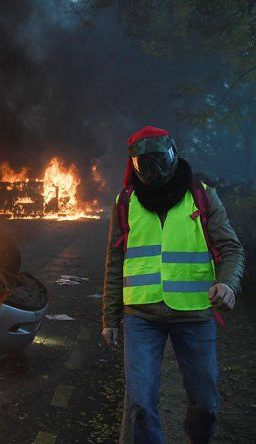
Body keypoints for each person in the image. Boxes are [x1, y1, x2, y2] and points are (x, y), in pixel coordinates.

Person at [101, 126, 245, 444]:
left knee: (206, 405)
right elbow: (115, 262)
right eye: (144, 163)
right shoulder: (125, 202)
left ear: (174, 154)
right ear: (133, 165)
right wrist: (110, 318)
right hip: (141, 316)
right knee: (139, 404)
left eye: (159, 158)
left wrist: (228, 285)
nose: (153, 168)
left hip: (194, 315)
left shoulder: (202, 196)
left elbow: (232, 249)